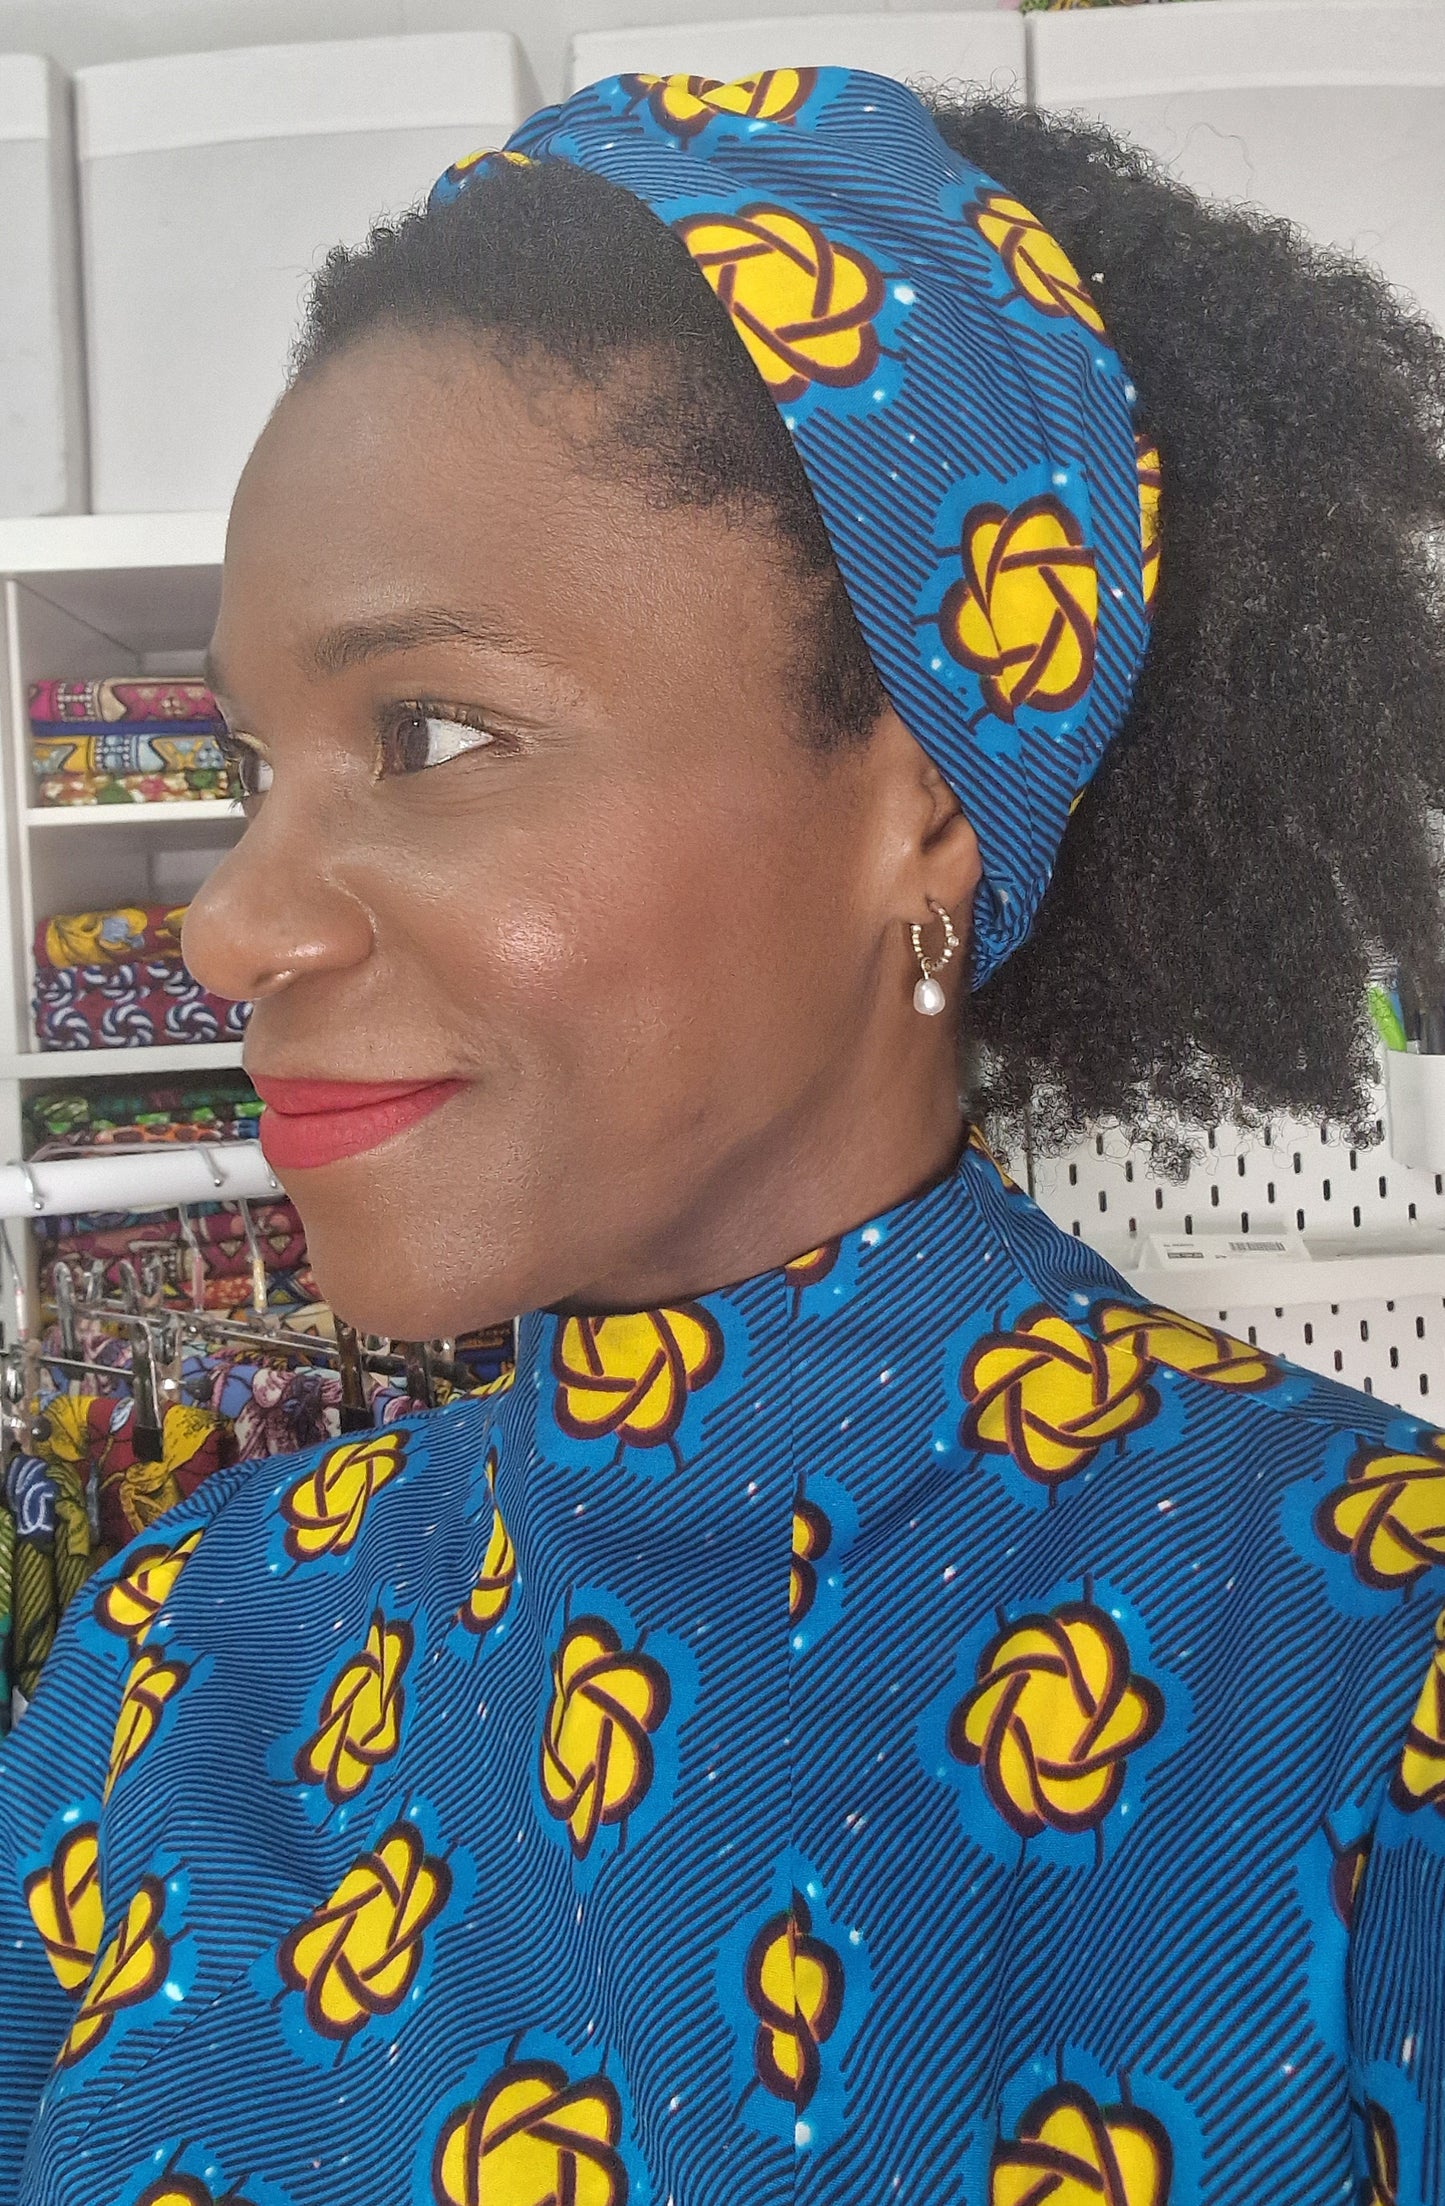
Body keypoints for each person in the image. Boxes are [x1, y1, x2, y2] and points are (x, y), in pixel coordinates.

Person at [3, 64, 1445, 2206]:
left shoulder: (1370, 1677)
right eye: (254, 758)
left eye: (429, 731)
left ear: (918, 797)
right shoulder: (177, 1663)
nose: (231, 919)